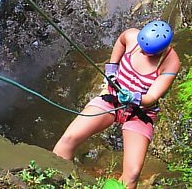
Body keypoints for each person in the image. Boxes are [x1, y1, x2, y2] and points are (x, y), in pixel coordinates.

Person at [53, 20, 181, 189]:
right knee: (69, 139)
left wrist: (133, 97)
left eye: (147, 52)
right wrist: (112, 68)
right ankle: (56, 182)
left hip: (139, 113)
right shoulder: (131, 36)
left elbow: (151, 97)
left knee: (133, 173)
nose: (141, 51)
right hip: (112, 99)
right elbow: (120, 42)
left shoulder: (171, 62)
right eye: (141, 47)